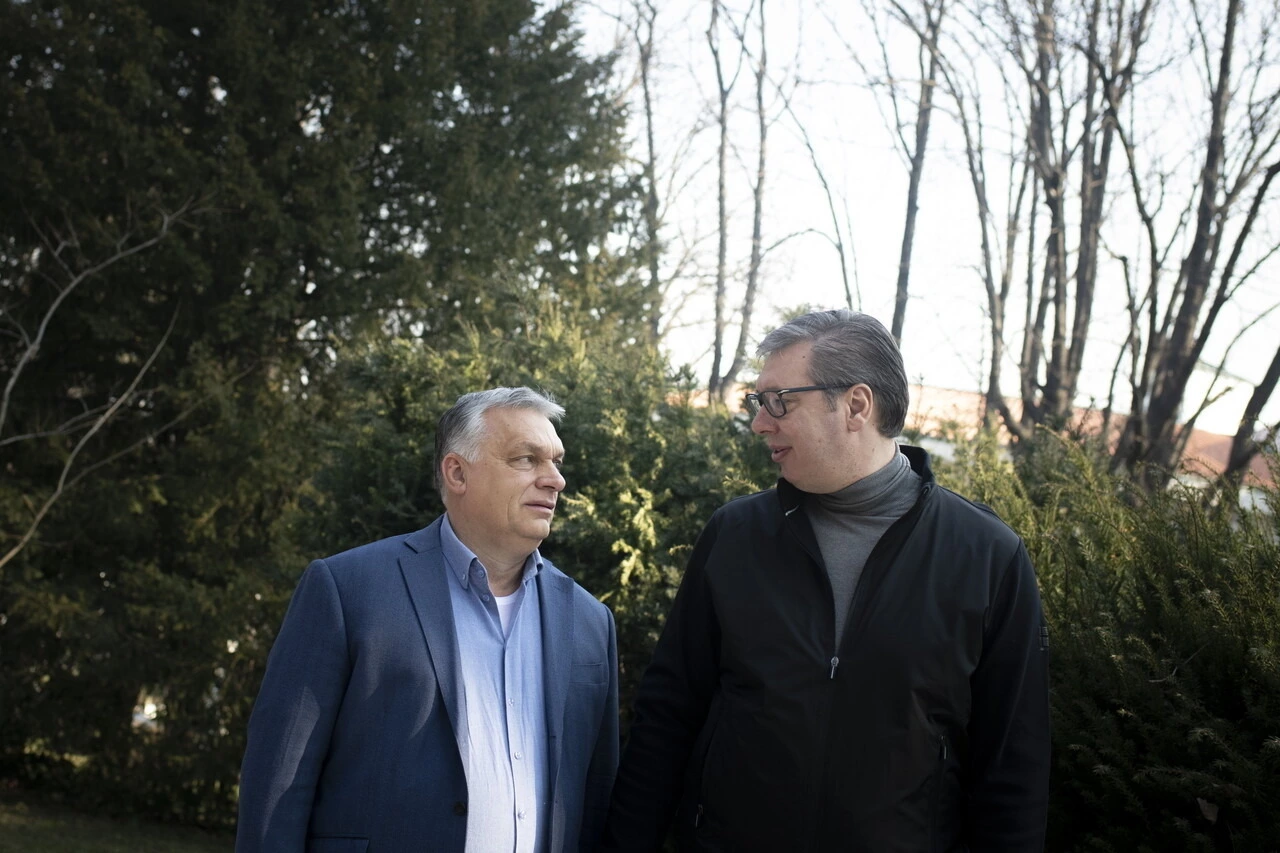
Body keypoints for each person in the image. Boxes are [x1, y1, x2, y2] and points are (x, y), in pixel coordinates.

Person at [602, 310, 1051, 852]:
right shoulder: (735, 536)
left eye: (779, 401)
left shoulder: (987, 556)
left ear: (857, 405)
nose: (760, 422)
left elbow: (1012, 772)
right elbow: (666, 721)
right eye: (757, 401)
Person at [236, 387, 619, 853]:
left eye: (557, 462)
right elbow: (278, 783)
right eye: (527, 459)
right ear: (456, 472)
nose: (554, 479)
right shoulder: (347, 589)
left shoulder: (589, 621)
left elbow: (598, 802)